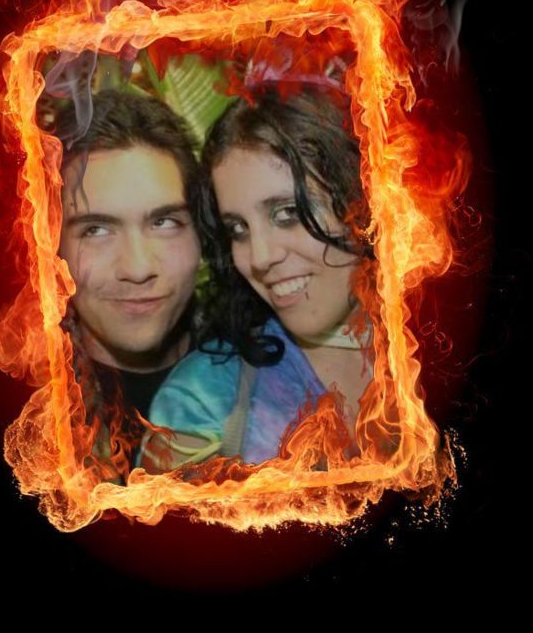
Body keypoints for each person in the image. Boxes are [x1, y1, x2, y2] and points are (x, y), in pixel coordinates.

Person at [138, 85, 376, 472]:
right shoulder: (201, 401)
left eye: (288, 213)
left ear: (359, 203)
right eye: (238, 229)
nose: (260, 257)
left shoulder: (433, 351)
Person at [54, 87, 203, 480]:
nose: (137, 268)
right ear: (53, 248)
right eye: (96, 230)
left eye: (165, 222)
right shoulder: (30, 410)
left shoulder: (265, 374)